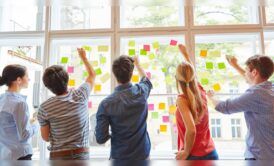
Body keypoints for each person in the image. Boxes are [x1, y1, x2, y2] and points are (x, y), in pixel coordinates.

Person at [207, 55, 274, 160]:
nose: (245, 73)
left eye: (247, 70)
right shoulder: (270, 88)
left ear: (254, 72)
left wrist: (211, 98)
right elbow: (251, 79)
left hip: (260, 158)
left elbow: (224, 107)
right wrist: (235, 65)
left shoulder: (255, 94)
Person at [37, 48, 96, 160]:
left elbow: (45, 138)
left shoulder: (44, 108)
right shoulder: (80, 95)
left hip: (58, 156)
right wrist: (83, 57)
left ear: (48, 87)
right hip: (81, 155)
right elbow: (92, 75)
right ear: (67, 79)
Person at [95, 55, 152, 160]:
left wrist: (116, 132)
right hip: (143, 156)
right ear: (131, 73)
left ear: (114, 74)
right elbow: (146, 80)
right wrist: (138, 65)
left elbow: (100, 138)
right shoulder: (141, 92)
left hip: (119, 157)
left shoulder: (105, 104)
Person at [175, 44, 218, 160]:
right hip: (211, 153)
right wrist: (185, 55)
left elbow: (192, 130)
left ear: (177, 79)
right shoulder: (200, 91)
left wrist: (185, 152)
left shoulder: (182, 100)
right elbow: (192, 75)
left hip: (194, 157)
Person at [0, 65, 38, 160]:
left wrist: (28, 122)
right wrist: (37, 125)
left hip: (5, 154)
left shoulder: (2, 98)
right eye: (27, 76)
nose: (29, 79)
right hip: (20, 154)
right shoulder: (19, 103)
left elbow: (7, 125)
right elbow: (24, 135)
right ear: (19, 80)